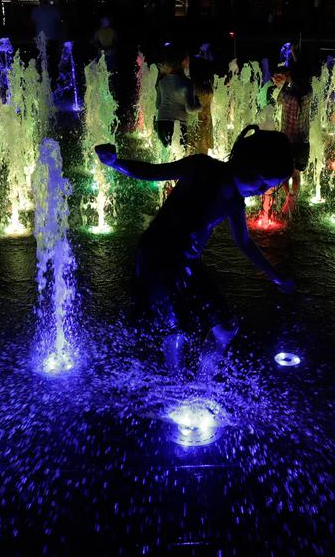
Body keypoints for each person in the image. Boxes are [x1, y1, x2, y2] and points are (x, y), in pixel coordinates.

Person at [95, 125, 295, 377]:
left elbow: (244, 242)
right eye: (263, 180)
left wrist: (274, 275)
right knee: (174, 328)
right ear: (246, 161)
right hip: (156, 260)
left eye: (269, 187)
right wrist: (116, 163)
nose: (262, 190)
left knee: (226, 327)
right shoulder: (201, 168)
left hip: (188, 264)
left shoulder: (235, 202)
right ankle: (175, 384)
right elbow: (152, 172)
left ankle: (203, 383)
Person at [274, 64, 312, 216]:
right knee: (296, 173)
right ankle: (292, 199)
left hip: (287, 141)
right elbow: (306, 83)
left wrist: (285, 82)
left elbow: (278, 99)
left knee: (284, 172)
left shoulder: (287, 96)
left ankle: (287, 195)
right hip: (302, 141)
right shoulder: (308, 93)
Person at [154, 45, 200, 148]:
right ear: (184, 62)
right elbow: (190, 109)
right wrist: (199, 106)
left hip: (161, 123)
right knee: (178, 159)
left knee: (166, 156)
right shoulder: (187, 83)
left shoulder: (162, 81)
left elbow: (158, 105)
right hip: (178, 124)